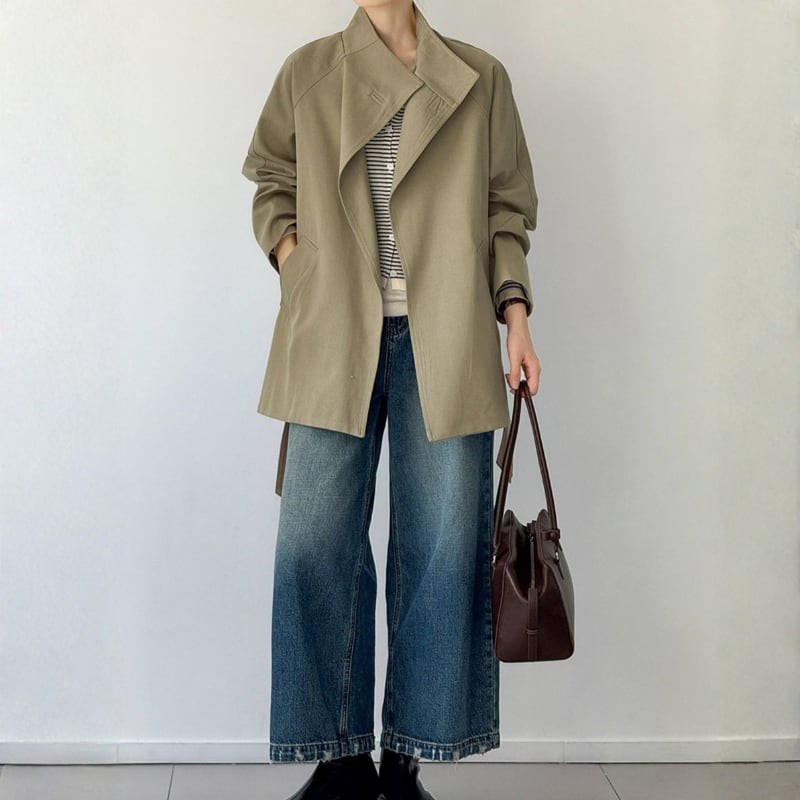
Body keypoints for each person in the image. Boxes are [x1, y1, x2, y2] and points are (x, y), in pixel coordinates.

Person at [241, 2, 541, 798]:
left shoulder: (478, 77)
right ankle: (339, 762)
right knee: (314, 545)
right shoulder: (310, 72)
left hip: (446, 335)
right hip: (333, 332)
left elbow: (505, 209)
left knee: (441, 551)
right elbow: (271, 180)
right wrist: (298, 261)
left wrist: (515, 315)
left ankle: (407, 757)